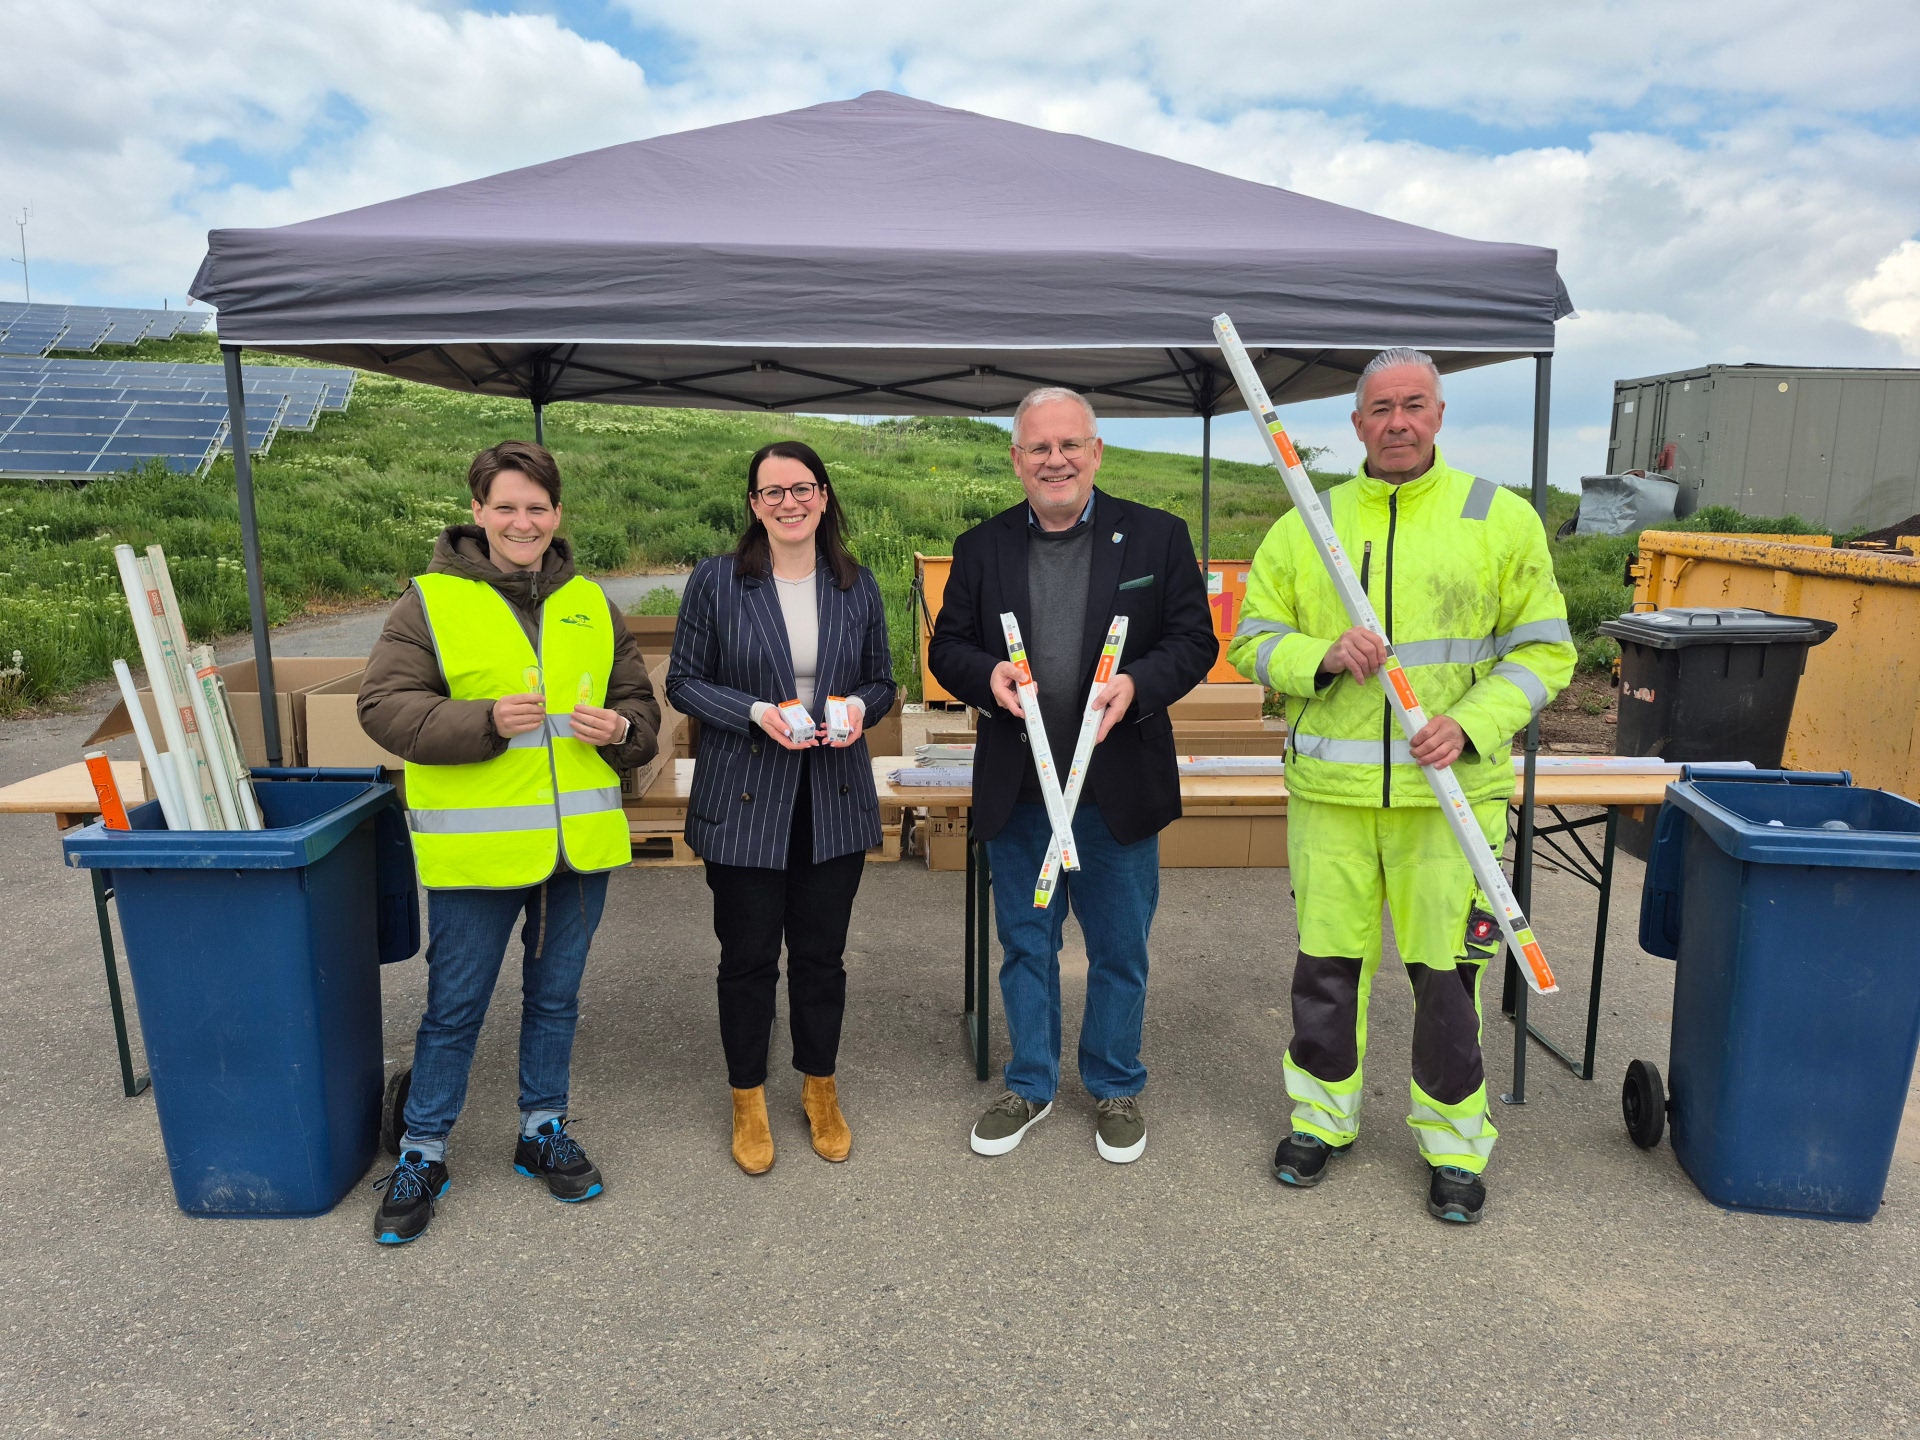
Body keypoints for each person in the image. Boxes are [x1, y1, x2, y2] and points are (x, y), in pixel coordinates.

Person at [1228, 347, 1576, 1224]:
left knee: (1446, 984)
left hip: (1450, 803)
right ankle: (1321, 1121)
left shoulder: (1498, 518)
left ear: (1439, 414)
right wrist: (1320, 657)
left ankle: (1455, 1146)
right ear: (1354, 426)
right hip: (1331, 804)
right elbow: (1251, 640)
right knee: (1326, 976)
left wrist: (1474, 722)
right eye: (1379, 409)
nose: (1396, 422)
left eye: (1413, 404)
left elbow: (1546, 651)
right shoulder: (1309, 522)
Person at [357, 439, 660, 1245]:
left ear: (556, 515)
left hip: (578, 852)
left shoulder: (592, 603)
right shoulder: (429, 603)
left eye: (536, 507)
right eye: (505, 507)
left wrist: (626, 728)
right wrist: (483, 721)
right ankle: (424, 1149)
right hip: (478, 854)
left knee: (555, 999)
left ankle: (541, 1129)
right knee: (454, 1009)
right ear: (479, 513)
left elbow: (640, 709)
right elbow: (382, 708)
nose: (521, 521)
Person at [929, 387, 1216, 1164]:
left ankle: (1115, 1085)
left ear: (1095, 453)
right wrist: (985, 674)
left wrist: (1140, 685)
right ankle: (1029, 1083)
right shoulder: (982, 545)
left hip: (1116, 788)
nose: (1054, 460)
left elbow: (1195, 641)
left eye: (1069, 445)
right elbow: (945, 647)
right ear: (1016, 459)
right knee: (1027, 943)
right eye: (1037, 448)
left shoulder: (1156, 539)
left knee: (1120, 948)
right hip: (1021, 791)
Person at [666, 441, 895, 1176]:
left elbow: (884, 682)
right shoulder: (717, 582)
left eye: (801, 488)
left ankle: (819, 1089)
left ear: (824, 497)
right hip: (744, 799)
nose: (788, 502)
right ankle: (748, 1098)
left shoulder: (856, 585)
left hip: (833, 798)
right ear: (754, 505)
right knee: (748, 960)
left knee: (823, 960)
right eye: (772, 492)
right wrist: (758, 711)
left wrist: (860, 705)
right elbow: (684, 683)